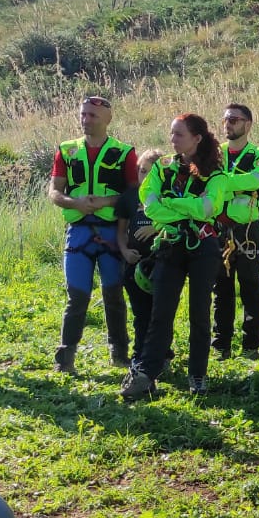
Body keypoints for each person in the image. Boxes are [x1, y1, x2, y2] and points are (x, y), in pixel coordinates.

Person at [120, 115, 230, 401]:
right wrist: (185, 208)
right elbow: (150, 206)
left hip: (204, 248)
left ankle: (198, 374)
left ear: (197, 138)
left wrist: (171, 203)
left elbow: (207, 208)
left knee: (199, 313)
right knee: (161, 312)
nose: (172, 139)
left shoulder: (216, 174)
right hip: (169, 246)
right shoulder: (162, 167)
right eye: (171, 134)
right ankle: (145, 374)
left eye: (178, 134)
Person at [47, 96, 137, 374]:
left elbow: (133, 193)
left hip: (111, 233)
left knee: (113, 294)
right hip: (78, 232)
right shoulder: (67, 149)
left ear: (107, 119)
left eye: (93, 116)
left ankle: (119, 354)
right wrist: (76, 203)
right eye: (83, 114)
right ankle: (66, 358)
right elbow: (54, 192)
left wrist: (105, 202)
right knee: (77, 296)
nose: (86, 120)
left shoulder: (124, 152)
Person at [211, 103, 259, 361]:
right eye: (226, 119)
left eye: (234, 120)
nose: (228, 124)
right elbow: (205, 181)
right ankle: (221, 346)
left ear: (247, 125)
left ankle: (251, 345)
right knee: (221, 289)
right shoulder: (214, 154)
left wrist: (222, 184)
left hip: (248, 230)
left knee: (250, 287)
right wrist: (233, 186)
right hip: (218, 229)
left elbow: (255, 181)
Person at [117, 149, 166, 377]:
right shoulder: (129, 196)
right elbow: (121, 231)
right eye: (140, 170)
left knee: (161, 312)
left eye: (147, 171)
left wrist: (156, 226)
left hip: (161, 262)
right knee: (140, 313)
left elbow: (180, 221)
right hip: (133, 264)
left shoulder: (167, 196)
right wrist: (125, 251)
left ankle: (163, 354)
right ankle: (139, 354)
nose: (142, 175)